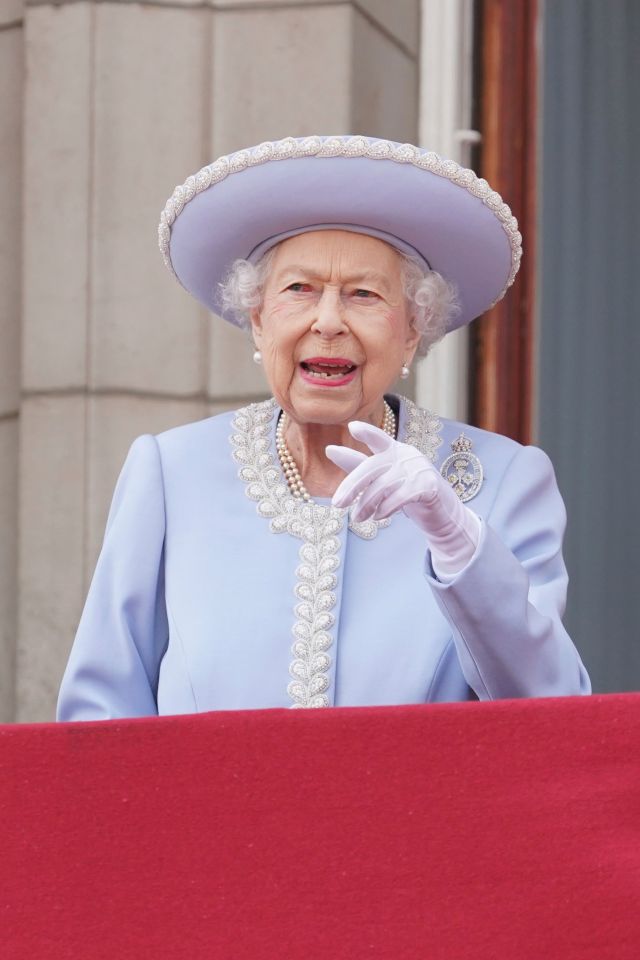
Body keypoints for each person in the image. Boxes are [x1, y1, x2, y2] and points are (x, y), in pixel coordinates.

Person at [57, 134, 590, 720]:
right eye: (298, 290)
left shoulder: (504, 480)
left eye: (364, 294)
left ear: (413, 330)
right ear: (258, 320)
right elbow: (99, 715)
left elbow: (554, 712)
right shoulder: (171, 472)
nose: (328, 321)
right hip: (207, 815)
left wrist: (462, 547)